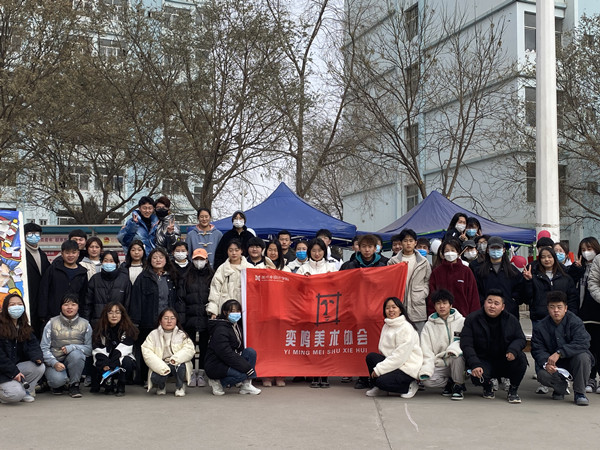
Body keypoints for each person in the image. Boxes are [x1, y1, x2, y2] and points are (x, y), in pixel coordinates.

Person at [460, 289, 527, 403]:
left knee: (521, 358)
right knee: (476, 375)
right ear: (484, 302)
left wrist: (513, 350)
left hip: (504, 358)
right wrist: (475, 363)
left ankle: (513, 389)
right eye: (489, 302)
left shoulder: (511, 319)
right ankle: (487, 386)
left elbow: (520, 338)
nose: (492, 306)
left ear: (502, 307)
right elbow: (466, 344)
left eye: (496, 303)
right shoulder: (472, 319)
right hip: (483, 359)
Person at [531, 291, 593, 406]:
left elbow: (583, 342)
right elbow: (537, 349)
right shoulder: (540, 326)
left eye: (559, 307)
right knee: (542, 375)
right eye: (552, 307)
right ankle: (560, 388)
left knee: (583, 357)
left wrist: (560, 353)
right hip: (555, 364)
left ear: (565, 308)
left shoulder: (575, 321)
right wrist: (546, 363)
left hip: (573, 361)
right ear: (547, 308)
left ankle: (580, 393)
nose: (556, 311)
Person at [364, 297, 422, 398]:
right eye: (387, 308)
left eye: (394, 307)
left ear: (400, 310)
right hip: (394, 364)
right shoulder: (387, 325)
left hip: (406, 367)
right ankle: (380, 388)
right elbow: (385, 353)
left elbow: (400, 357)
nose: (391, 310)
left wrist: (379, 370)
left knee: (382, 381)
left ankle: (409, 385)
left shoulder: (406, 327)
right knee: (371, 357)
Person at [204, 300, 261, 396]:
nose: (236, 314)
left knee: (250, 352)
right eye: (233, 311)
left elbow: (239, 349)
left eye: (238, 311)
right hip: (216, 364)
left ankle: (246, 385)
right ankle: (218, 382)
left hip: (229, 360)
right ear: (225, 312)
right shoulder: (220, 329)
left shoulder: (236, 326)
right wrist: (245, 367)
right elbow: (225, 354)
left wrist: (244, 367)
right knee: (241, 375)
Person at [41, 294, 92, 398]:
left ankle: (74, 385)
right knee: (57, 381)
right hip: (54, 361)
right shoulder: (51, 323)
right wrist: (54, 363)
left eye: (73, 304)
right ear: (61, 307)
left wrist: (72, 347)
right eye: (66, 304)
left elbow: (89, 349)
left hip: (74, 362)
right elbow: (43, 348)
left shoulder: (85, 324)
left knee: (77, 354)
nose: (69, 307)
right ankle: (59, 384)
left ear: (78, 306)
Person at [418, 290, 466, 400]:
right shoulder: (429, 325)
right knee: (426, 381)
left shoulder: (462, 321)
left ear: (451, 305)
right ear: (434, 306)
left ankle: (458, 385)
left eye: (445, 303)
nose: (442, 306)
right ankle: (450, 383)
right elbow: (426, 350)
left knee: (457, 355)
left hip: (458, 363)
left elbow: (466, 342)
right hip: (440, 364)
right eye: (438, 303)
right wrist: (427, 368)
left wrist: (453, 350)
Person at [179, 248, 214, 388]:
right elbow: (181, 298)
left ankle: (202, 373)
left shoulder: (212, 276)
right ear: (192, 260)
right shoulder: (186, 276)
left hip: (206, 316)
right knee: (190, 347)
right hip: (190, 317)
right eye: (196, 259)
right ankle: (192, 372)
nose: (199, 262)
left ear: (206, 260)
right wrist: (182, 318)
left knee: (205, 346)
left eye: (202, 259)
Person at [0, 294, 45, 403]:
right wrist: (13, 372)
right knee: (15, 395)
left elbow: (33, 345)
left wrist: (37, 357)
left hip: (14, 367)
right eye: (12, 305)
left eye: (19, 304)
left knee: (39, 367)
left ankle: (26, 391)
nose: (16, 307)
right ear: (5, 307)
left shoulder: (24, 326)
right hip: (3, 370)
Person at [141, 308, 195, 397]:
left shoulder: (182, 334)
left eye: (172, 318)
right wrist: (161, 366)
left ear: (176, 320)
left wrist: (175, 359)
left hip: (176, 362)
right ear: (160, 321)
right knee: (155, 376)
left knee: (181, 366)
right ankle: (161, 386)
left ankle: (180, 387)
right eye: (166, 318)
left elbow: (189, 349)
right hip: (161, 363)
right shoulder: (153, 335)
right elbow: (147, 352)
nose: (169, 321)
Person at [471, 236, 527, 319]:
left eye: (498, 248)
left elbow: (520, 290)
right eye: (492, 248)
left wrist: (512, 301)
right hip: (486, 314)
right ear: (487, 250)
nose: (495, 251)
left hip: (509, 314)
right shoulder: (479, 271)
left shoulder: (513, 271)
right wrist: (484, 303)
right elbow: (476, 291)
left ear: (503, 250)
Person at [387, 229, 432, 333]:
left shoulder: (423, 262)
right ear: (401, 243)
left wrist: (423, 293)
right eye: (405, 241)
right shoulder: (393, 262)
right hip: (399, 304)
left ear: (415, 243)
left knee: (418, 337)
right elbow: (389, 282)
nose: (408, 243)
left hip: (418, 305)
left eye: (411, 241)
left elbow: (428, 280)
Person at [522, 246, 579, 328]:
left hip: (562, 319)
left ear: (554, 258)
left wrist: (571, 315)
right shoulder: (534, 276)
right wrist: (528, 281)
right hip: (540, 318)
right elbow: (527, 298)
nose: (546, 259)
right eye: (543, 257)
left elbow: (572, 298)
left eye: (549, 257)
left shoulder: (565, 277)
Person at [91, 302, 138, 396]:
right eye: (110, 312)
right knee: (97, 362)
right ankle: (107, 383)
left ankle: (121, 384)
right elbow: (98, 349)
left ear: (122, 314)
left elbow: (124, 349)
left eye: (117, 312)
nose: (114, 316)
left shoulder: (129, 329)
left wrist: (112, 364)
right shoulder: (99, 329)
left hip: (119, 358)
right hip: (105, 359)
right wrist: (105, 364)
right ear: (106, 314)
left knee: (127, 362)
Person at [38, 239, 88, 323]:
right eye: (67, 253)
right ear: (62, 254)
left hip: (75, 317)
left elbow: (84, 296)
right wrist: (42, 314)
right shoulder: (53, 269)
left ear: (78, 253)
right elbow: (44, 291)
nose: (70, 255)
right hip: (53, 315)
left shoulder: (82, 272)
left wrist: (83, 315)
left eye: (73, 252)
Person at [428, 239, 479, 317]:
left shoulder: (466, 271)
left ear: (458, 252)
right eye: (447, 251)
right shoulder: (436, 272)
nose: (450, 253)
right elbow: (431, 296)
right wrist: (432, 315)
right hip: (441, 316)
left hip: (463, 316)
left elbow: (473, 296)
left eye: (453, 250)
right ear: (443, 254)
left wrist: (473, 318)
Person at [84, 250, 132, 327]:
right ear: (101, 262)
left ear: (117, 263)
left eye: (111, 261)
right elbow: (87, 303)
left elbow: (128, 303)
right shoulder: (95, 279)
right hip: (98, 322)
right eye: (105, 261)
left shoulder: (124, 280)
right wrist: (87, 322)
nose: (108, 263)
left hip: (119, 323)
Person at [207, 239, 252, 319]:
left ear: (241, 251)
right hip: (225, 310)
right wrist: (213, 311)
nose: (234, 253)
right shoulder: (222, 268)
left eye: (236, 250)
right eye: (231, 250)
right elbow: (215, 290)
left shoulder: (249, 268)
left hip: (245, 311)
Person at [579, 237, 600, 393]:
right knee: (590, 347)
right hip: (586, 312)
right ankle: (591, 378)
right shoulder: (579, 268)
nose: (586, 252)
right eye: (583, 249)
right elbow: (592, 283)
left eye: (589, 249)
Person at [23, 222, 50, 338]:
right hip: (26, 296)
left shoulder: (42, 254)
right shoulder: (20, 254)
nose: (34, 236)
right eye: (30, 234)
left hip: (40, 298)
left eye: (37, 234)